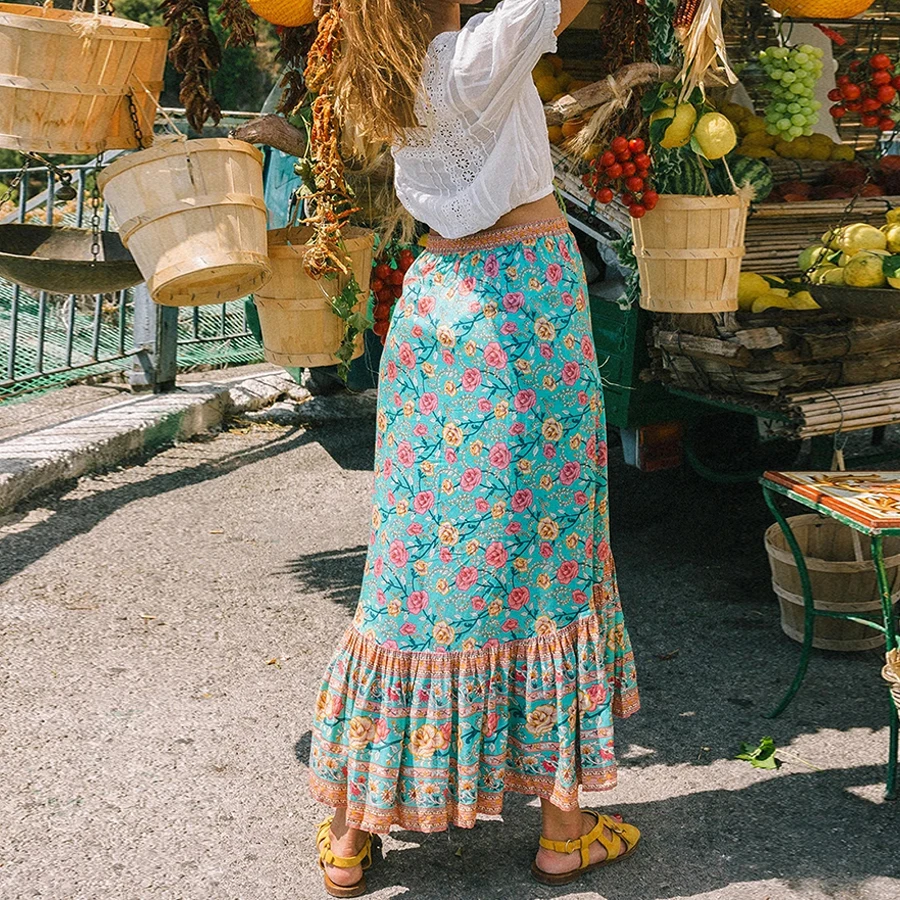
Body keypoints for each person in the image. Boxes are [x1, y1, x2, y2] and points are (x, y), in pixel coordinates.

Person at [309, 0, 640, 894]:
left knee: (412, 557)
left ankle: (349, 833)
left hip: (435, 303)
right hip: (525, 306)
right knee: (552, 554)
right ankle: (563, 833)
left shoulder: (373, 70)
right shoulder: (473, 54)